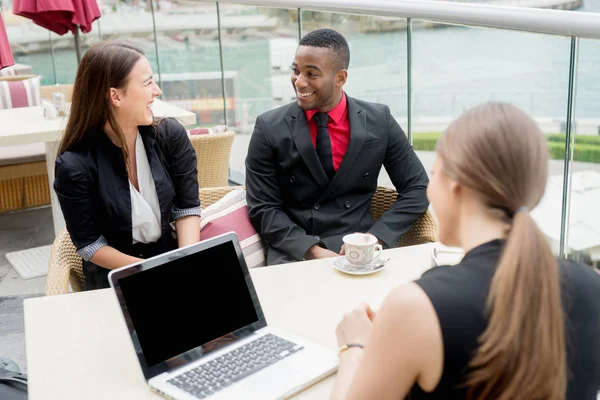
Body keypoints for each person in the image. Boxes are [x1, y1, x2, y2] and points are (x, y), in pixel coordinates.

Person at [330, 102, 600, 400]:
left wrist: (353, 346)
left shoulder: (416, 307)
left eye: (435, 174)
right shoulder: (593, 286)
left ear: (455, 184)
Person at [245, 28, 429, 265]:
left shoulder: (379, 119)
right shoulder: (268, 127)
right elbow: (263, 207)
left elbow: (418, 188)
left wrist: (374, 238)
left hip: (357, 251)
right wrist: (312, 250)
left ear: (340, 78)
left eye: (311, 74)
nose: (299, 82)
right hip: (294, 252)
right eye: (296, 71)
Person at [54, 41, 201, 290]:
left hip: (173, 260)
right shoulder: (74, 166)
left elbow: (186, 208)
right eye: (147, 83)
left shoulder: (170, 136)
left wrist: (184, 261)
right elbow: (90, 244)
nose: (157, 90)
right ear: (116, 95)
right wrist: (152, 271)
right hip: (118, 277)